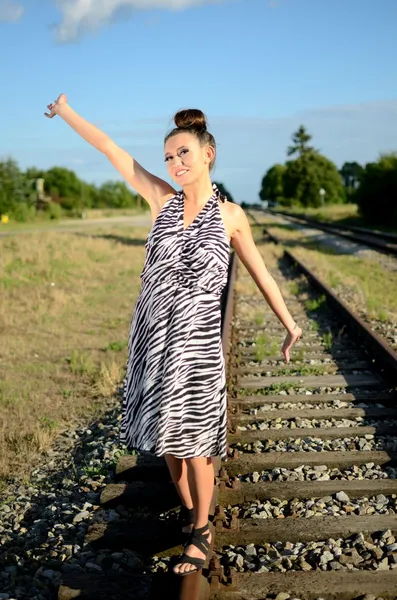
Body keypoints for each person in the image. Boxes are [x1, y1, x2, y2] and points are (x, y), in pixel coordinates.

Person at [44, 95, 302, 576]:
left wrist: (290, 324)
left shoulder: (231, 216)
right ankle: (191, 513)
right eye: (168, 156)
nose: (175, 163)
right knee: (167, 445)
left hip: (197, 348)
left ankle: (200, 530)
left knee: (196, 445)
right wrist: (66, 110)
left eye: (183, 152)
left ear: (208, 153)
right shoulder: (160, 200)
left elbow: (263, 275)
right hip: (152, 343)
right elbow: (111, 150)